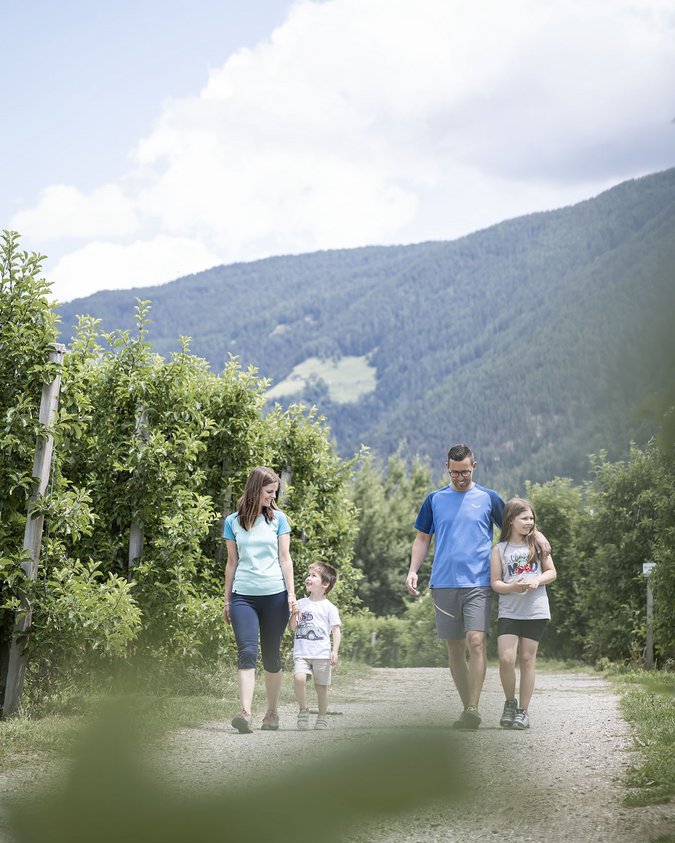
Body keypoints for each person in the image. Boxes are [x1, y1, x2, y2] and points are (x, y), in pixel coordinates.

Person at [406, 443, 549, 730]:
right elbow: (423, 539)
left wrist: (539, 534)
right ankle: (467, 706)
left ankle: (473, 707)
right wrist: (413, 570)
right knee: (454, 648)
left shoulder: (488, 498)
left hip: (480, 583)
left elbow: (517, 520)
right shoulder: (434, 499)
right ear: (447, 468)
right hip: (444, 583)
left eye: (466, 472)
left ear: (475, 467)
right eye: (455, 472)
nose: (461, 477)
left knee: (476, 641)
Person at [223, 466, 297, 734]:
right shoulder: (233, 521)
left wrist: (291, 595)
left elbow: (285, 559)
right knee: (247, 651)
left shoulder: (278, 520)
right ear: (256, 490)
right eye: (268, 492)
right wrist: (227, 600)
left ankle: (272, 713)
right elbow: (232, 563)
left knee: (271, 656)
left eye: (275, 492)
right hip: (243, 596)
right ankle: (245, 712)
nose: (272, 497)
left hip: (275, 597)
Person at [490, 497, 556, 730]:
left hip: (535, 610)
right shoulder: (499, 549)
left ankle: (523, 711)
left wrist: (536, 580)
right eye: (524, 518)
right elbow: (495, 583)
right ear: (510, 520)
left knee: (527, 659)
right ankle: (510, 703)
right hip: (509, 610)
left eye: (532, 518)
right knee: (506, 659)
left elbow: (551, 573)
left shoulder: (538, 545)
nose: (529, 522)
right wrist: (512, 588)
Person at [290, 562, 342, 731]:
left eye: (313, 576)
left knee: (321, 687)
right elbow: (292, 627)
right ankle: (303, 709)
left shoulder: (330, 608)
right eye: (308, 574)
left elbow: (336, 630)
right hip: (302, 652)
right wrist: (294, 613)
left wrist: (334, 651)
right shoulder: (300, 603)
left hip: (321, 653)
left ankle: (322, 716)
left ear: (325, 584)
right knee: (299, 678)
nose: (308, 578)